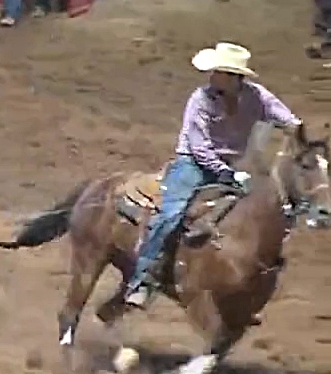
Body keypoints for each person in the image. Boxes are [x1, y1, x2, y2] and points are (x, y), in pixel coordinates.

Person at [123, 43, 303, 308]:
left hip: (233, 164)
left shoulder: (257, 96)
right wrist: (226, 174)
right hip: (194, 164)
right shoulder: (200, 99)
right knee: (170, 214)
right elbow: (199, 147)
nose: (210, 76)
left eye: (216, 71)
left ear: (232, 76)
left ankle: (249, 281)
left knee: (270, 211)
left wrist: (300, 132)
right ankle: (143, 281)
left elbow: (287, 119)